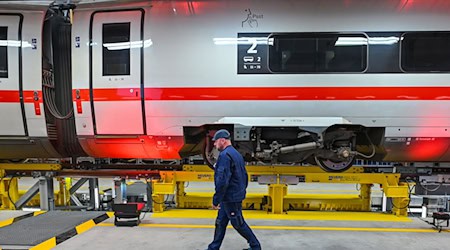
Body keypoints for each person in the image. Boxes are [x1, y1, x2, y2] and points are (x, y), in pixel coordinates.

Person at [207, 129, 261, 250]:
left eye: (216, 142)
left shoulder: (225, 156)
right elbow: (245, 176)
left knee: (238, 224)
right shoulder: (236, 154)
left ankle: (255, 246)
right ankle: (213, 247)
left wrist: (216, 200)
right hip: (230, 196)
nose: (215, 145)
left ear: (222, 140)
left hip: (231, 197)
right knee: (220, 222)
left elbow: (222, 181)